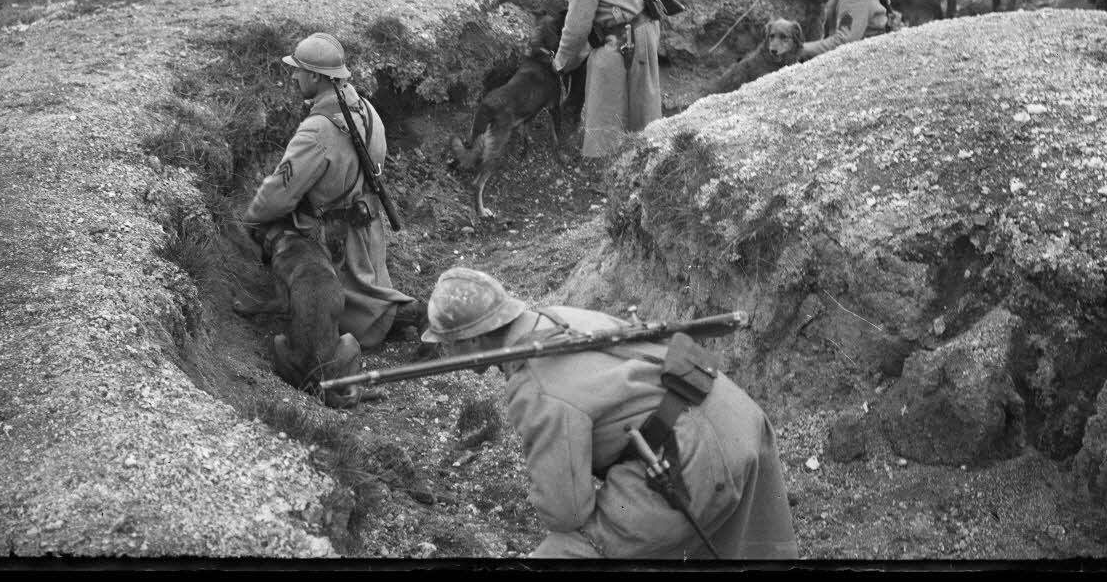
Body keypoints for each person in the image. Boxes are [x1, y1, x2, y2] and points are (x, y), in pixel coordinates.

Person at [421, 267, 800, 560]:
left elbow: (566, 512)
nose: (444, 354)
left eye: (446, 345)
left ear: (470, 340)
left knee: (568, 551)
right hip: (730, 410)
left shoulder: (534, 388)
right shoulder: (557, 318)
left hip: (695, 456)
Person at [242, 32, 425, 349]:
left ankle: (416, 314)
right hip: (367, 227)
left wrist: (251, 218)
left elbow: (279, 194)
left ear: (315, 76)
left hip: (331, 237)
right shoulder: (365, 108)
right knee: (367, 292)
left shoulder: (318, 129)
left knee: (342, 299)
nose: (295, 75)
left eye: (299, 69)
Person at [544, 0, 661, 158]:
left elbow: (577, 27)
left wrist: (560, 61)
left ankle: (607, 161)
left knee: (604, 97)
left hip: (626, 38)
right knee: (640, 101)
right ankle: (637, 154)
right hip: (641, 31)